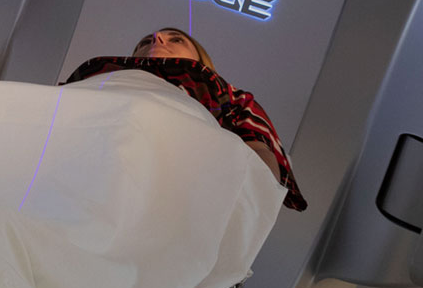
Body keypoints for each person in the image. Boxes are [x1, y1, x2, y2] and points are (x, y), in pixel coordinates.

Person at [64, 27, 306, 211]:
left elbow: (259, 158)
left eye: (176, 40)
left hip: (175, 191)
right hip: (86, 173)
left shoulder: (230, 99)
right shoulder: (95, 75)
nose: (157, 39)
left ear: (200, 59)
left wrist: (245, 212)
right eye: (145, 41)